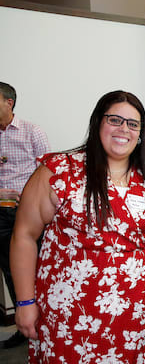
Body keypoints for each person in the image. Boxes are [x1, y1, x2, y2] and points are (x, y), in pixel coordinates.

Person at [10, 91, 145, 363]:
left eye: (133, 124)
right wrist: (24, 302)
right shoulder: (60, 172)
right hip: (70, 317)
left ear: (140, 134)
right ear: (97, 123)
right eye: (115, 120)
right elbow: (24, 236)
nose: (123, 129)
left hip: (140, 317)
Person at [0, 82, 50, 349]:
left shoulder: (32, 131)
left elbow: (47, 171)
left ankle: (45, 320)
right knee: (11, 268)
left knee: (39, 266)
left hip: (27, 212)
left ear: (9, 103)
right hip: (0, 212)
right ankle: (24, 321)